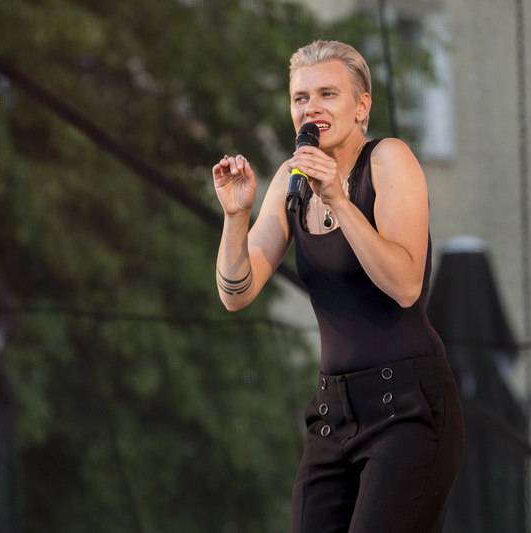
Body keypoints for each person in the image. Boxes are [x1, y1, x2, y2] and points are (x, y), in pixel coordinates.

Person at [212, 40, 465, 533]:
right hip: (333, 414)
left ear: (361, 105)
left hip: (407, 407)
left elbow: (405, 284)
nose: (312, 108)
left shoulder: (388, 159)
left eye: (327, 94)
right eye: (300, 98)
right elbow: (235, 292)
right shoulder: (291, 179)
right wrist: (236, 217)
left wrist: (340, 201)